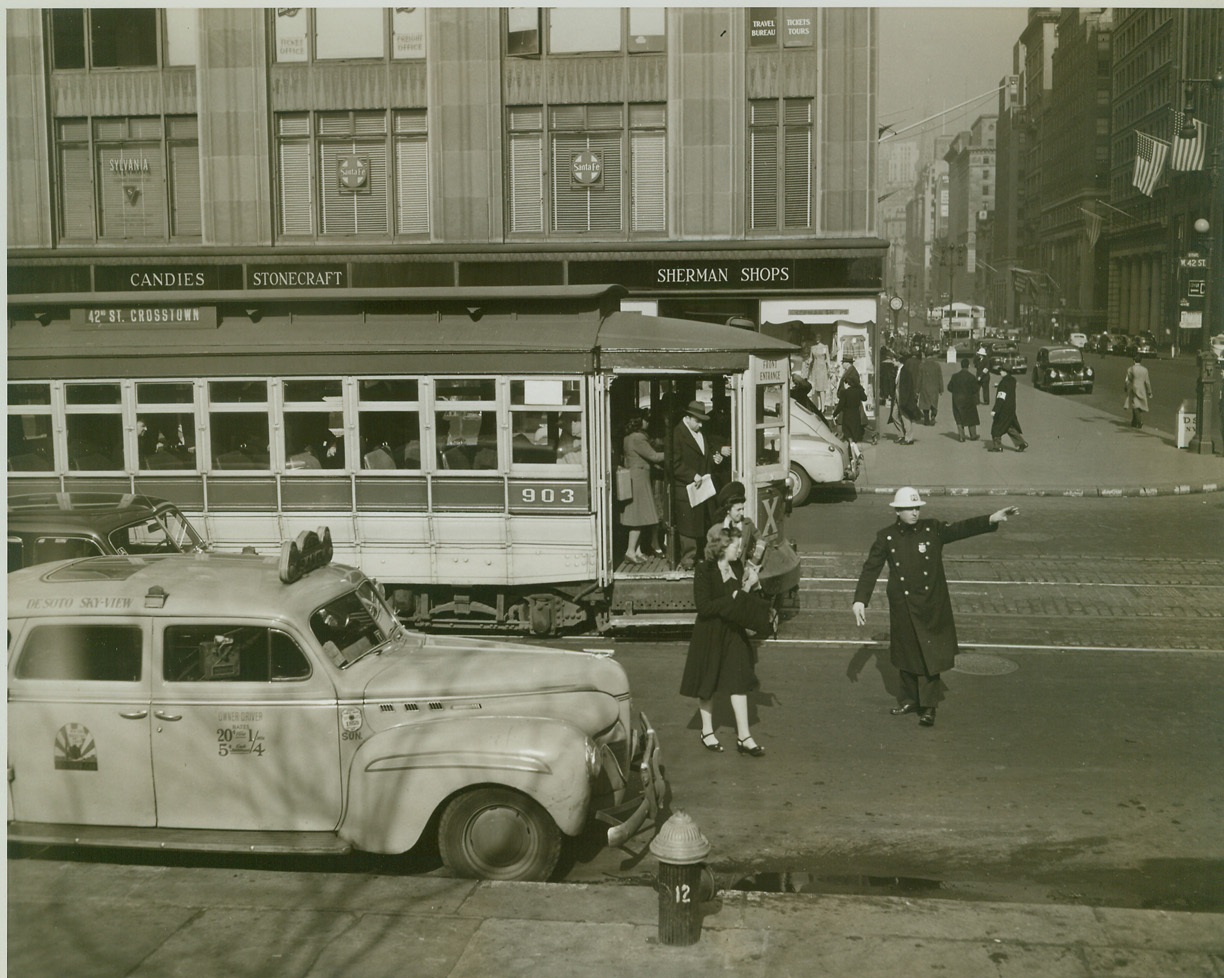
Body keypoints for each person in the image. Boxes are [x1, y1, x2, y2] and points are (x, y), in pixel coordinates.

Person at [851, 488, 1020, 726]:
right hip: (903, 605)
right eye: (910, 509)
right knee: (904, 653)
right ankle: (910, 699)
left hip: (930, 603)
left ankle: (929, 707)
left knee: (929, 654)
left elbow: (961, 529)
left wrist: (990, 519)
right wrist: (860, 599)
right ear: (898, 511)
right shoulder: (886, 537)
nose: (915, 513)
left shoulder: (933, 529)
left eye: (917, 508)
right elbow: (871, 568)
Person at [680, 525, 772, 756]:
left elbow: (740, 601)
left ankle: (744, 736)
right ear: (722, 546)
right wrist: (731, 598)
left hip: (733, 632)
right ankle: (707, 731)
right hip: (710, 632)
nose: (739, 551)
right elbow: (704, 606)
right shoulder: (704, 569)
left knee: (738, 680)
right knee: (707, 682)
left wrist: (749, 587)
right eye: (735, 546)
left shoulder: (737, 566)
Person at [671, 400, 727, 569]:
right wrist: (692, 475)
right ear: (687, 418)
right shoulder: (677, 434)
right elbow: (673, 463)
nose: (701, 424)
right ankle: (688, 561)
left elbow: (705, 455)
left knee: (701, 523)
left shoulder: (699, 433)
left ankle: (702, 558)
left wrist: (715, 459)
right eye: (698, 420)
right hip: (687, 488)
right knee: (688, 527)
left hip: (702, 487)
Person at [619, 415, 665, 563]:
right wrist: (673, 451)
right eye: (645, 420)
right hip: (640, 479)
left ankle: (637, 551)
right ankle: (630, 551)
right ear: (639, 422)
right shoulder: (638, 437)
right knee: (637, 517)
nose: (648, 422)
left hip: (635, 477)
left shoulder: (628, 437)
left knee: (638, 515)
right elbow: (654, 456)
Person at [705, 480, 760, 565]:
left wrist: (753, 563)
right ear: (728, 510)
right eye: (738, 510)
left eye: (742, 509)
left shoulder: (747, 524)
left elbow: (762, 541)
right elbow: (710, 557)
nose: (742, 513)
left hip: (742, 573)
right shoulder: (714, 531)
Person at [833, 354, 868, 458]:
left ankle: (843, 445)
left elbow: (855, 385)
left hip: (849, 403)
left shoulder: (852, 372)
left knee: (845, 427)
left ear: (847, 363)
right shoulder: (850, 371)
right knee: (853, 429)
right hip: (851, 403)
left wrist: (844, 394)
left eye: (843, 362)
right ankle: (854, 453)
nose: (842, 364)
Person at [989, 371, 1028, 452]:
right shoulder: (1012, 380)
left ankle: (998, 446)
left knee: (996, 427)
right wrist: (998, 385)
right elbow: (1009, 388)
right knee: (1008, 426)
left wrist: (995, 410)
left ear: (1005, 372)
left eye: (1002, 371)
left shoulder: (1003, 383)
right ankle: (1021, 443)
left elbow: (1001, 398)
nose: (1000, 372)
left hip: (1003, 409)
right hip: (1011, 408)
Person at [946, 357, 981, 442]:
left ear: (961, 366)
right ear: (968, 366)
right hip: (969, 400)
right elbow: (975, 389)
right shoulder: (972, 377)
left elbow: (949, 387)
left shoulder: (955, 376)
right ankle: (973, 435)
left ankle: (962, 437)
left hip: (957, 400)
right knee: (971, 417)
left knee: (959, 417)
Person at [896, 348, 921, 445]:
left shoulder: (906, 367)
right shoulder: (919, 362)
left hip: (905, 395)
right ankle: (905, 435)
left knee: (905, 415)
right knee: (901, 415)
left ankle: (908, 437)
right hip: (912, 388)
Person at [1123, 354, 1153, 429]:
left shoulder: (1131, 369)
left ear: (1133, 360)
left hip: (1134, 387)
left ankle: (1139, 422)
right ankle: (1134, 421)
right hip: (1142, 388)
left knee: (1135, 405)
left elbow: (1127, 380)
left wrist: (1126, 387)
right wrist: (1149, 391)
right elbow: (1147, 381)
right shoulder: (1145, 369)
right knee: (1138, 404)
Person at [918, 349, 943, 425]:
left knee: (925, 403)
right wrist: (941, 389)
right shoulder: (937, 365)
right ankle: (933, 416)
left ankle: (926, 419)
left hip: (924, 387)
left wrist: (917, 389)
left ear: (925, 355)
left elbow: (919, 378)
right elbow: (940, 377)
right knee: (934, 403)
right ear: (932, 355)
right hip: (934, 388)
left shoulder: (922, 365)